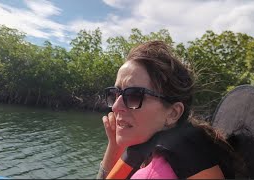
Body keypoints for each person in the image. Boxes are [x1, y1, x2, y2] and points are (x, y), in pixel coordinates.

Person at [97, 41, 235, 179]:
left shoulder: (152, 175)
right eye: (115, 93)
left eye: (134, 95)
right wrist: (114, 146)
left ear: (173, 113)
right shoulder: (194, 152)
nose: (115, 107)